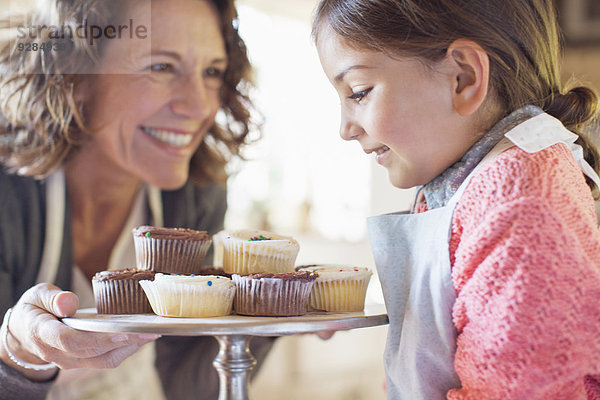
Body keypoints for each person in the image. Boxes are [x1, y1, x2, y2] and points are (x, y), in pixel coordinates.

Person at [313, 0, 600, 399]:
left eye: (358, 92)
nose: (345, 128)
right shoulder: (468, 182)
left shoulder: (517, 195)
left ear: (462, 77)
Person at [0, 0, 273, 399]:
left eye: (211, 71)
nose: (199, 106)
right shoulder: (8, 197)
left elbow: (183, 382)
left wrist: (267, 317)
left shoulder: (197, 193)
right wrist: (17, 354)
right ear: (74, 75)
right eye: (161, 67)